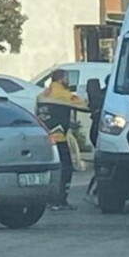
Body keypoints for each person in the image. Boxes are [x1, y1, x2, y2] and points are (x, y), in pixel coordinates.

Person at [37, 69, 90, 210]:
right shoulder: (64, 95)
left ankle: (49, 199)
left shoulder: (42, 95)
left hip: (46, 139)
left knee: (51, 170)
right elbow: (85, 105)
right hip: (59, 138)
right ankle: (60, 200)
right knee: (66, 169)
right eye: (66, 78)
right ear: (61, 79)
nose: (68, 81)